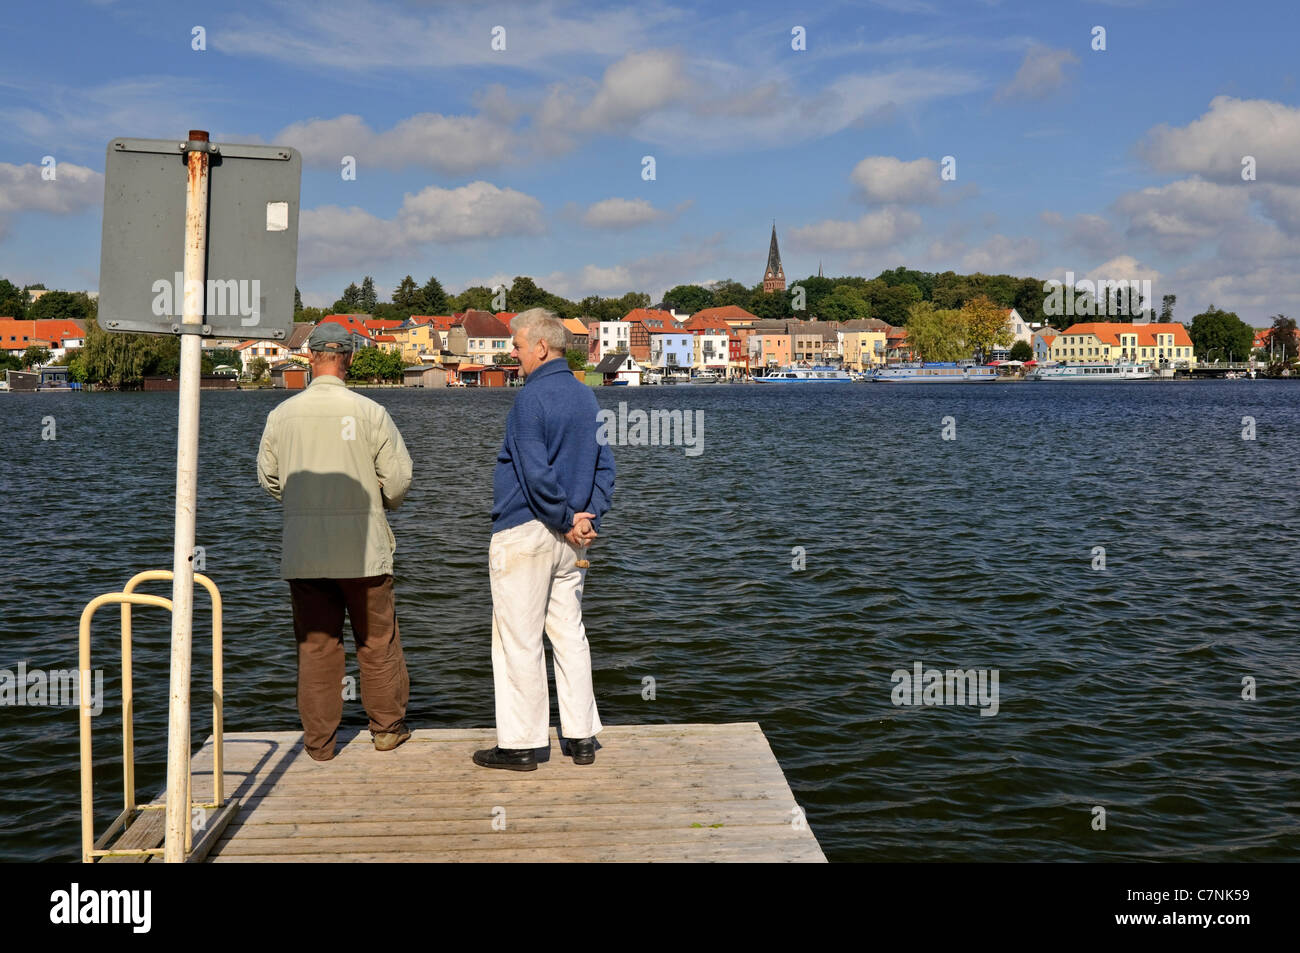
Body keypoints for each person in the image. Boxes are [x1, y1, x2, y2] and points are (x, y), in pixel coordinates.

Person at [256, 322, 413, 761]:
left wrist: (300, 501)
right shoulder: (370, 412)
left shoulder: (282, 415)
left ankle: (320, 745)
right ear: (349, 358)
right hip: (365, 549)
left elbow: (269, 478)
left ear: (309, 358)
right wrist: (380, 500)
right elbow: (399, 478)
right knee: (377, 642)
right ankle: (386, 730)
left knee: (318, 647)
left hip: (304, 551)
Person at [473, 309, 615, 771]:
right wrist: (585, 516)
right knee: (569, 634)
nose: (512, 354)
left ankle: (521, 745)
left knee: (518, 639)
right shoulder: (586, 397)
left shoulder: (529, 401)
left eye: (516, 346)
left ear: (540, 347)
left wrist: (562, 516)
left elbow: (535, 474)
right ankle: (582, 738)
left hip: (526, 531)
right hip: (572, 540)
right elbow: (605, 468)